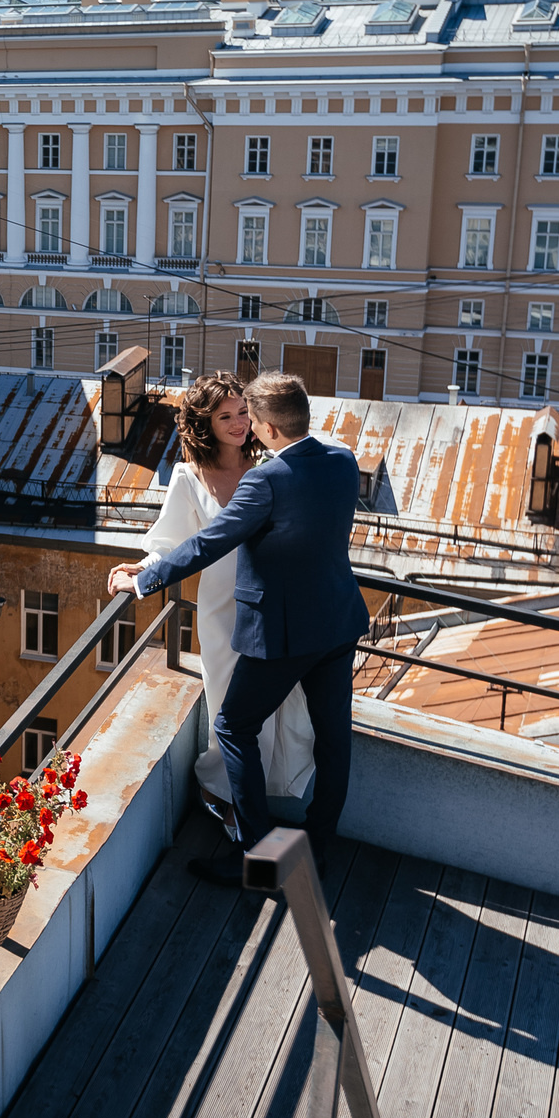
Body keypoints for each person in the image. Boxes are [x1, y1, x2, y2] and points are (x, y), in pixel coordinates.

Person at [107, 373, 366, 885]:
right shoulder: (342, 459)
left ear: (267, 428)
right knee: (334, 739)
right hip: (338, 622)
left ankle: (261, 861)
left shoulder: (266, 479)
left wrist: (144, 581)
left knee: (231, 726)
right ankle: (317, 848)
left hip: (282, 631)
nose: (242, 424)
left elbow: (210, 543)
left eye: (248, 416)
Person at [141, 374, 316, 845]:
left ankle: (255, 801)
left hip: (272, 611)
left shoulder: (272, 465)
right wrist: (138, 574)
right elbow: (170, 544)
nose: (240, 424)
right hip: (222, 616)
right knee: (230, 711)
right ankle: (225, 795)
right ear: (205, 424)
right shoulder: (188, 477)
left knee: (278, 708)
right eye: (226, 417)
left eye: (243, 412)